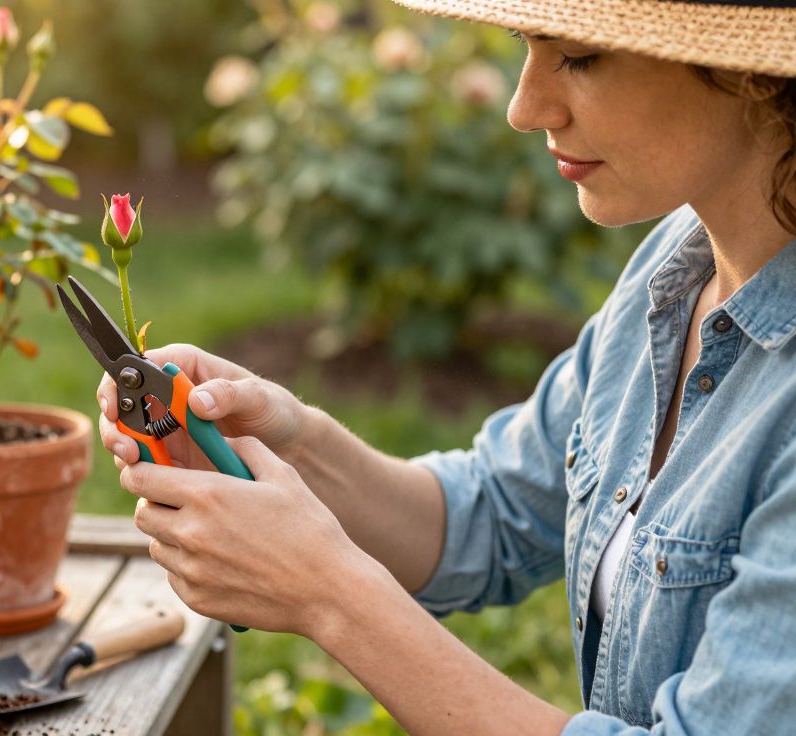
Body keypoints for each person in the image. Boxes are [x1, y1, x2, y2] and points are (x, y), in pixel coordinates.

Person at [97, 0, 796, 733]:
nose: (524, 109)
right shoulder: (678, 269)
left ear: (752, 76)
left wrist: (328, 595)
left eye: (580, 58)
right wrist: (288, 439)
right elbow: (490, 512)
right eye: (527, 47)